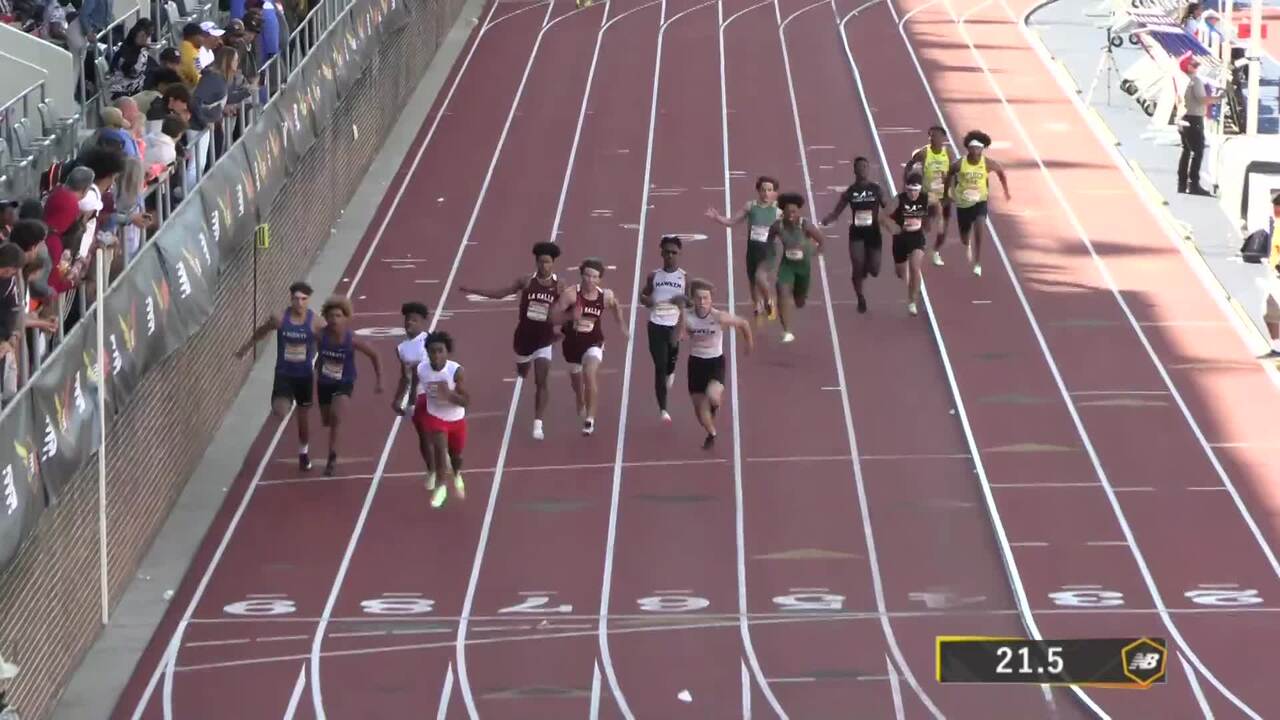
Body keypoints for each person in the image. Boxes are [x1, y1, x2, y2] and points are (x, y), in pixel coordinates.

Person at [458, 241, 562, 440]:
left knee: (542, 381)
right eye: (540, 262)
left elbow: (568, 306)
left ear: (553, 263)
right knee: (523, 372)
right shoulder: (525, 281)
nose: (544, 266)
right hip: (523, 339)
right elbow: (501, 293)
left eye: (547, 262)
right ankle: (522, 368)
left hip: (545, 339)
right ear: (536, 262)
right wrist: (475, 290)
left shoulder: (560, 284)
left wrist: (564, 330)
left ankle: (538, 424)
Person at [235, 281, 325, 470]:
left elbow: (326, 344)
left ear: (308, 301)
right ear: (290, 299)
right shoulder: (279, 318)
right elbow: (262, 330)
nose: (299, 303)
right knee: (280, 411)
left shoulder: (316, 322)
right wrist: (245, 348)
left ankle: (303, 454)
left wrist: (321, 362)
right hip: (284, 373)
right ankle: (286, 402)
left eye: (303, 299)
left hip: (304, 377)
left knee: (303, 420)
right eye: (295, 299)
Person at [550, 258, 628, 436]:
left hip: (594, 342)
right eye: (587, 275)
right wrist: (570, 316)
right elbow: (553, 318)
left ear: (600, 279)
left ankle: (590, 420)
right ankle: (579, 398)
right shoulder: (570, 295)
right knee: (577, 383)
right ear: (581, 275)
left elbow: (616, 307)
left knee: (590, 374)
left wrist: (622, 325)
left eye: (594, 277)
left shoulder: (605, 296)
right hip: (571, 345)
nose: (590, 280)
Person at [677, 279, 753, 449]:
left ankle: (714, 403)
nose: (702, 302)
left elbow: (744, 323)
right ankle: (712, 433)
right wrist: (681, 335)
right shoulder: (686, 315)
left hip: (715, 362)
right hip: (696, 363)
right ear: (693, 300)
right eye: (699, 298)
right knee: (700, 415)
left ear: (711, 300)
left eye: (706, 298)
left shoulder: (719, 317)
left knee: (712, 396)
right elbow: (683, 333)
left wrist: (749, 344)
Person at [315, 296, 383, 475]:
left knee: (336, 417)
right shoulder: (321, 336)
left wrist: (379, 380)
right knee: (326, 420)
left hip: (344, 382)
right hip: (324, 382)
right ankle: (332, 446)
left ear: (345, 318)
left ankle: (332, 456)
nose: (334, 320)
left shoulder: (351, 339)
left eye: (338, 316)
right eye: (331, 316)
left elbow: (374, 355)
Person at [705, 176, 780, 321]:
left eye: (769, 190)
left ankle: (768, 300)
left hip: (768, 252)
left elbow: (788, 229)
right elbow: (732, 221)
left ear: (774, 192)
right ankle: (757, 304)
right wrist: (717, 217)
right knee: (752, 281)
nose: (766, 193)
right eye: (763, 190)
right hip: (752, 251)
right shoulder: (750, 206)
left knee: (760, 277)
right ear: (758, 190)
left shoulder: (777, 211)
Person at [409, 331, 469, 508]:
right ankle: (441, 487)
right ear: (427, 352)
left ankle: (457, 474)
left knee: (456, 455)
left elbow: (467, 401)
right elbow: (414, 386)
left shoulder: (456, 371)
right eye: (432, 351)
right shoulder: (420, 369)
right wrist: (412, 404)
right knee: (440, 450)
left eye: (440, 351)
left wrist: (449, 395)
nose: (436, 355)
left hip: (456, 419)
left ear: (447, 352)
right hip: (436, 418)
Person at [822, 157, 886, 313]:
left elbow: (888, 206)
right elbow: (837, 211)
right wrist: (829, 218)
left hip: (873, 233)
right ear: (855, 170)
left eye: (866, 166)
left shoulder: (876, 189)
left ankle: (865, 268)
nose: (863, 169)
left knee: (875, 270)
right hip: (857, 233)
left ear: (868, 169)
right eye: (860, 167)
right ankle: (860, 297)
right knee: (857, 264)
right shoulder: (850, 192)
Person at [944, 130, 1010, 277]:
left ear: (982, 148)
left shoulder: (987, 163)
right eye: (972, 148)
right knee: (964, 235)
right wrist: (948, 192)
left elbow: (1001, 173)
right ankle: (966, 243)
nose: (975, 150)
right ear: (968, 148)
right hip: (963, 203)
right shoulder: (959, 164)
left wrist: (1006, 191)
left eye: (978, 148)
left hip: (980, 201)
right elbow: (949, 174)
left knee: (980, 226)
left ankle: (977, 262)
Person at [639, 235, 688, 422]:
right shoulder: (654, 276)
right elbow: (643, 296)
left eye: (673, 252)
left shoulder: (684, 277)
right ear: (661, 253)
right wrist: (647, 300)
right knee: (659, 366)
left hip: (674, 325)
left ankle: (671, 370)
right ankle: (663, 409)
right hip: (656, 325)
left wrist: (682, 301)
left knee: (669, 363)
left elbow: (691, 302)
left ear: (679, 254)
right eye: (666, 252)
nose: (670, 255)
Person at [769, 193, 825, 343]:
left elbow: (821, 241)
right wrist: (769, 254)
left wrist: (815, 252)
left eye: (794, 212)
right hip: (787, 266)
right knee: (781, 290)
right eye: (788, 212)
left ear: (798, 212)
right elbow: (769, 240)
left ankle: (799, 297)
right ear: (783, 213)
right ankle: (787, 330)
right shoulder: (777, 226)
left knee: (799, 302)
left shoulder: (805, 225)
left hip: (803, 268)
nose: (791, 215)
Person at [393, 301, 436, 490]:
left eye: (414, 320)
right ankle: (432, 470)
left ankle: (441, 463)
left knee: (436, 433)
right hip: (414, 398)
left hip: (432, 394)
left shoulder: (430, 342)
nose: (409, 323)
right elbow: (405, 376)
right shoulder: (401, 348)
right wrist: (396, 398)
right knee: (423, 436)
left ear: (422, 323)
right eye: (407, 320)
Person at [881, 173, 934, 316]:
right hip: (900, 238)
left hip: (917, 237)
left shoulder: (926, 198)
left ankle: (912, 301)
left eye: (915, 190)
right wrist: (892, 227)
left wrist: (935, 221)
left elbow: (938, 206)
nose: (912, 193)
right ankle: (908, 282)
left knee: (915, 267)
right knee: (900, 272)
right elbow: (882, 216)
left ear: (920, 189)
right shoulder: (898, 200)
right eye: (909, 190)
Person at [905, 126, 954, 267]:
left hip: (943, 196)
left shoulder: (949, 154)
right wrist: (907, 183)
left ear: (944, 138)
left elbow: (952, 173)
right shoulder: (924, 153)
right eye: (931, 136)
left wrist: (949, 193)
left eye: (936, 136)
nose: (933, 138)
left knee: (943, 228)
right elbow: (910, 165)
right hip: (927, 196)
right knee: (926, 226)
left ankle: (936, 251)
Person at [1178, 54, 1219, 197]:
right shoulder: (1195, 81)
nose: (1196, 65)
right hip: (1194, 119)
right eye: (1193, 63)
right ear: (1188, 67)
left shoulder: (1181, 80)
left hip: (1182, 117)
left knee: (1186, 151)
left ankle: (1182, 184)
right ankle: (1193, 184)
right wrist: (1218, 98)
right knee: (1197, 151)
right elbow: (1202, 99)